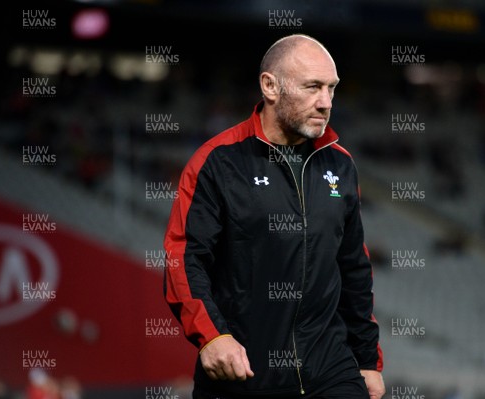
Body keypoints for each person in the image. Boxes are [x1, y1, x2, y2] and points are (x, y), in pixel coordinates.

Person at [164, 33, 385, 399]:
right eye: (313, 87)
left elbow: (353, 271)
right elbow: (184, 262)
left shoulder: (340, 164)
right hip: (243, 374)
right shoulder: (217, 163)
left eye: (331, 88)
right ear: (270, 86)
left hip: (330, 371)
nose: (326, 102)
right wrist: (213, 337)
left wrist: (367, 361)